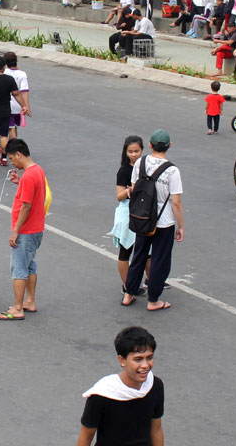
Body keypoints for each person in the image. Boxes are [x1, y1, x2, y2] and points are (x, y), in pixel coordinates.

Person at [121, 130, 184, 311]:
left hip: (142, 218)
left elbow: (134, 188)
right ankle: (153, 299)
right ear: (169, 146)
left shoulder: (140, 162)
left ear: (150, 146)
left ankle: (129, 293)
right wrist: (181, 226)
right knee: (159, 259)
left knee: (139, 255)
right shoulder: (172, 171)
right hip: (163, 222)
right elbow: (176, 203)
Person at [77, 326, 164, 446]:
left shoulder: (155, 386)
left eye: (149, 358)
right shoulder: (101, 396)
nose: (145, 365)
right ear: (122, 360)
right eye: (138, 359)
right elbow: (85, 437)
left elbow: (156, 429)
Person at [0, 138, 46, 320]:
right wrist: (19, 182)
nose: (12, 163)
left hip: (26, 230)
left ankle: (17, 307)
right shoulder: (37, 171)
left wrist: (15, 230)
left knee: (18, 269)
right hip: (37, 229)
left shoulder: (29, 176)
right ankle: (30, 301)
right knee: (30, 265)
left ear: (18, 154)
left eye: (11, 158)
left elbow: (25, 205)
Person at [110, 136, 148, 294]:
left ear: (142, 150)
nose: (134, 154)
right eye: (130, 152)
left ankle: (151, 279)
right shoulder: (124, 171)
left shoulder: (146, 167)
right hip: (127, 212)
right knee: (126, 251)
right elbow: (119, 196)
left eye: (137, 151)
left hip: (145, 211)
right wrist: (129, 191)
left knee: (147, 249)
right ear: (125, 153)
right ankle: (127, 286)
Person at [4, 51, 30, 140]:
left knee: (10, 129)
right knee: (14, 127)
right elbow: (24, 91)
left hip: (7, 105)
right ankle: (13, 148)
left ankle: (14, 149)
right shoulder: (22, 74)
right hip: (18, 106)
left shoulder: (4, 73)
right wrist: (26, 107)